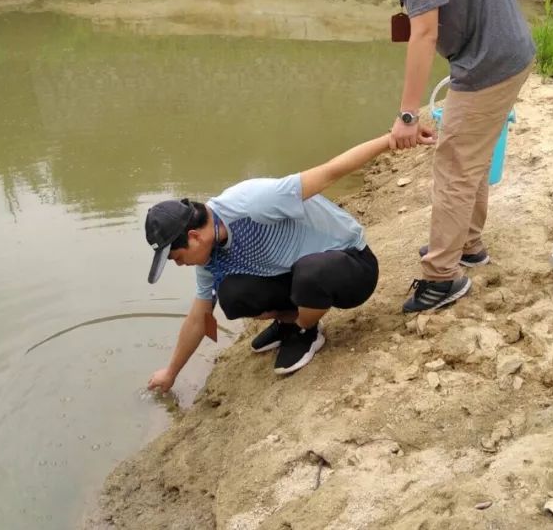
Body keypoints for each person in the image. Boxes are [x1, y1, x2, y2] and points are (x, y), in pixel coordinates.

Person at [320, 0, 536, 314]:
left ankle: (442, 277)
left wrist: (406, 114)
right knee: (469, 158)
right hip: (506, 51)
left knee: (454, 166)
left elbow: (424, 30)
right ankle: (469, 245)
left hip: (488, 64)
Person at [145, 133, 404, 392]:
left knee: (309, 272)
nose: (180, 265)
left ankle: (306, 330)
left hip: (352, 265)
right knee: (232, 295)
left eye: (177, 258)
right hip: (298, 274)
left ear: (193, 237)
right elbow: (199, 319)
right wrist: (171, 373)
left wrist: (392, 138)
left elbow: (331, 172)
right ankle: (289, 321)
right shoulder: (209, 258)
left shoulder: (253, 202)